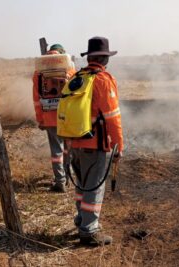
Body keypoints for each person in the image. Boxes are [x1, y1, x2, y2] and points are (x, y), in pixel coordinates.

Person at [62, 37, 124, 245]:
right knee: (94, 187)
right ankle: (89, 232)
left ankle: (82, 220)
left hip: (74, 142)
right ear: (104, 59)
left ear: (89, 57)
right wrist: (119, 146)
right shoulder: (103, 80)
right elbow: (113, 118)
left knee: (82, 186)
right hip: (95, 145)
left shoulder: (76, 77)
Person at [32, 44, 76, 192]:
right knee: (68, 148)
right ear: (62, 54)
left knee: (56, 151)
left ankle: (60, 182)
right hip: (68, 116)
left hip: (50, 117)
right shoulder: (70, 69)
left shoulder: (38, 73)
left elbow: (37, 100)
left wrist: (41, 120)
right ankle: (69, 176)